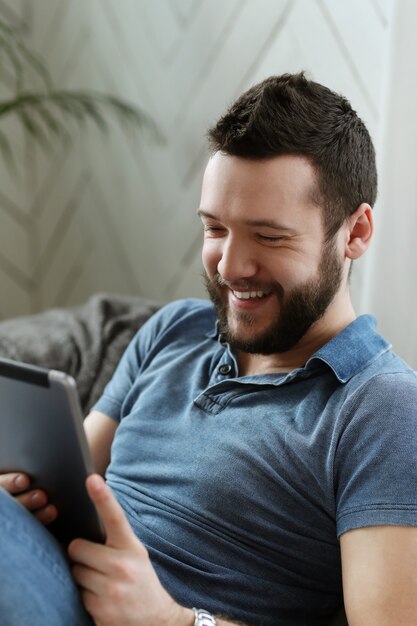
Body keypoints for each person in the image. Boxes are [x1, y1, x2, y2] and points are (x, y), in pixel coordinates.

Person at [1, 72, 417, 626]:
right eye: (215, 228)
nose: (229, 266)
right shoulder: (172, 331)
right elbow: (80, 483)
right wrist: (27, 497)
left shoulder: (382, 410)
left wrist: (170, 621)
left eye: (269, 236)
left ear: (355, 233)